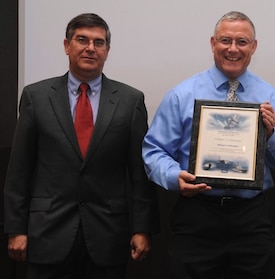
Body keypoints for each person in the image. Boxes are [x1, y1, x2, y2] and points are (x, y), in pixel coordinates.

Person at [4, 13, 160, 279]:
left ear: (107, 51)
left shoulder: (130, 100)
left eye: (99, 42)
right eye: (82, 40)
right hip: (47, 234)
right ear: (67, 45)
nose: (90, 48)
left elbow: (139, 174)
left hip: (107, 236)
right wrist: (15, 229)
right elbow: (19, 169)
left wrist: (142, 229)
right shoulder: (36, 97)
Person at [142, 11, 275, 279]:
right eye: (226, 40)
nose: (233, 49)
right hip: (197, 215)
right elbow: (154, 151)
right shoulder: (181, 95)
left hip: (252, 218)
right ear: (213, 43)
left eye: (242, 42)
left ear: (253, 47)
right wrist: (173, 176)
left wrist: (271, 134)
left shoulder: (271, 97)